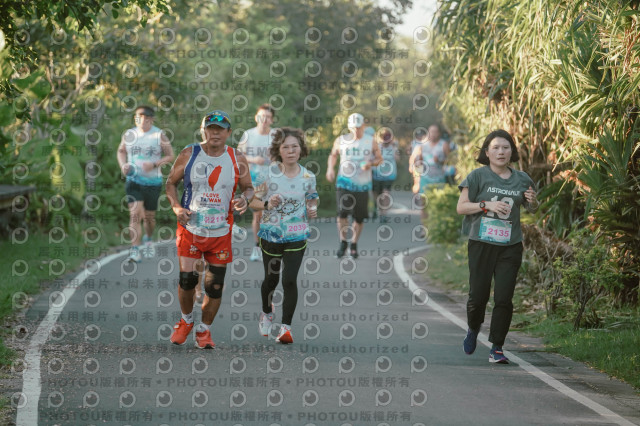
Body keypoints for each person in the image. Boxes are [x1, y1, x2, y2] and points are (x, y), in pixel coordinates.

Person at [165, 110, 254, 349]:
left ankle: (204, 330)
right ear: (203, 130)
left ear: (228, 132)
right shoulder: (189, 154)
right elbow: (170, 183)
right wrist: (176, 208)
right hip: (191, 229)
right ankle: (186, 321)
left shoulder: (237, 157)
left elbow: (248, 188)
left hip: (220, 232)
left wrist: (245, 199)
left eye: (220, 129)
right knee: (187, 280)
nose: (215, 133)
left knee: (214, 286)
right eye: (211, 128)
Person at [456, 129, 538, 363]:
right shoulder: (477, 176)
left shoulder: (522, 179)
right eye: (496, 148)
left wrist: (533, 202)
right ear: (487, 152)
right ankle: (473, 329)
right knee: (478, 296)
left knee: (503, 297)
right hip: (481, 244)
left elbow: (532, 208)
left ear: (512, 151)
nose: (501, 152)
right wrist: (486, 205)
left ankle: (497, 347)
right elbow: (461, 207)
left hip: (510, 246)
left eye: (505, 147)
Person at [249, 127, 318, 344]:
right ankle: (267, 312)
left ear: (301, 149)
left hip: (297, 235)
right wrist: (268, 203)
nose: (290, 151)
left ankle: (286, 328)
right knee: (271, 279)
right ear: (278, 150)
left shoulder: (308, 176)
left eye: (294, 146)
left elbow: (312, 198)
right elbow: (253, 202)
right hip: (271, 235)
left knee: (289, 280)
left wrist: (312, 208)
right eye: (286, 147)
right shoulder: (268, 174)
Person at [117, 105, 175, 262]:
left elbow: (170, 155)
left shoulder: (158, 135)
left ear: (151, 119)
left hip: (152, 182)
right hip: (134, 180)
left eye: (145, 118)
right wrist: (123, 165)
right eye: (139, 117)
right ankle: (135, 250)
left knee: (149, 218)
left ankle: (148, 238)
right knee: (135, 214)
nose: (142, 120)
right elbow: (121, 151)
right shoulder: (129, 134)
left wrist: (154, 164)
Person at [326, 113, 382, 259]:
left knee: (359, 217)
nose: (356, 130)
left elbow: (379, 159)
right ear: (349, 127)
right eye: (353, 127)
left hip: (362, 185)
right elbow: (333, 155)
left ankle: (354, 243)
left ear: (363, 126)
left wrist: (370, 163)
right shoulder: (341, 140)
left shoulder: (370, 141)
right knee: (342, 213)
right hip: (344, 182)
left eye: (359, 127)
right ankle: (343, 242)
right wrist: (330, 169)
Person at [237, 104, 276, 262]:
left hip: (274, 181)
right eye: (261, 116)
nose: (264, 119)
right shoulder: (248, 135)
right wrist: (254, 159)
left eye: (268, 117)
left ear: (272, 120)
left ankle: (274, 245)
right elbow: (239, 156)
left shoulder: (276, 136)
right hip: (254, 181)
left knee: (273, 214)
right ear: (256, 117)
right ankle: (257, 247)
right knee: (258, 214)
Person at [409, 124, 450, 236]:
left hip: (439, 179)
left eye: (435, 132)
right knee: (424, 204)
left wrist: (440, 161)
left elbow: (451, 161)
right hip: (425, 179)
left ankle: (438, 229)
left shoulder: (444, 145)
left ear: (439, 133)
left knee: (439, 204)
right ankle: (425, 229)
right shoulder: (422, 146)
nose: (433, 134)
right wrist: (416, 181)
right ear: (428, 133)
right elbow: (417, 162)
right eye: (431, 132)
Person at [371, 128, 400, 223]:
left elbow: (397, 159)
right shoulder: (377, 147)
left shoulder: (393, 148)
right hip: (377, 174)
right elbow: (371, 159)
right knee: (377, 194)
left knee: (385, 194)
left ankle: (384, 214)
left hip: (389, 175)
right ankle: (376, 207)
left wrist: (394, 147)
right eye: (384, 138)